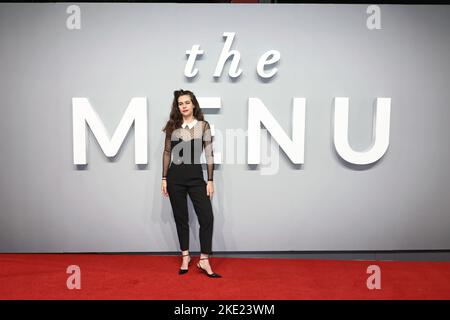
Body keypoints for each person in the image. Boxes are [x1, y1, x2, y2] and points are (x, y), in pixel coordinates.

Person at [161, 89, 222, 278]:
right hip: (175, 179)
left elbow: (209, 153)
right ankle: (185, 256)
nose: (184, 106)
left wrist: (210, 180)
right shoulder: (173, 126)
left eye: (187, 102)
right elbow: (166, 153)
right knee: (181, 219)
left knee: (207, 218)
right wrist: (164, 178)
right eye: (180, 104)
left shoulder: (203, 126)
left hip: (196, 179)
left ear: (193, 104)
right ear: (177, 107)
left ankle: (204, 260)